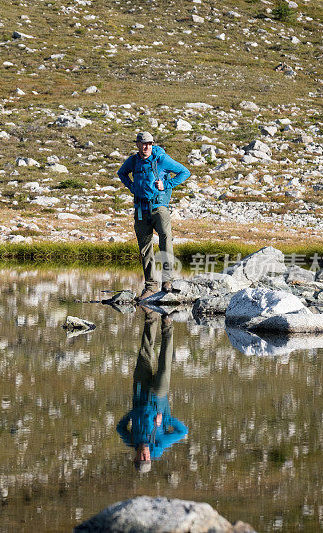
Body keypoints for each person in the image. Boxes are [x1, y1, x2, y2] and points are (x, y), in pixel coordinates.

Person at [117, 132, 190, 300]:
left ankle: (167, 282)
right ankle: (150, 286)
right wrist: (131, 186)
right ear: (137, 144)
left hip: (159, 208)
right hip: (141, 209)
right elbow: (121, 173)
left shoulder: (161, 159)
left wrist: (166, 184)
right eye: (143, 143)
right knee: (145, 248)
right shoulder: (133, 161)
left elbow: (184, 172)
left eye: (149, 143)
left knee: (166, 241)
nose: (146, 146)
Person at [116, 310, 187, 472]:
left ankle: (151, 316)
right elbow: (182, 431)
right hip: (158, 398)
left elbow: (120, 428)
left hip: (140, 392)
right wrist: (165, 419)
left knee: (144, 353)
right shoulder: (159, 445)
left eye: (141, 459)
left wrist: (132, 413)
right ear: (150, 459)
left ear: (135, 457)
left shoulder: (131, 440)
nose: (144, 456)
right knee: (164, 365)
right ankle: (167, 325)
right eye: (146, 459)